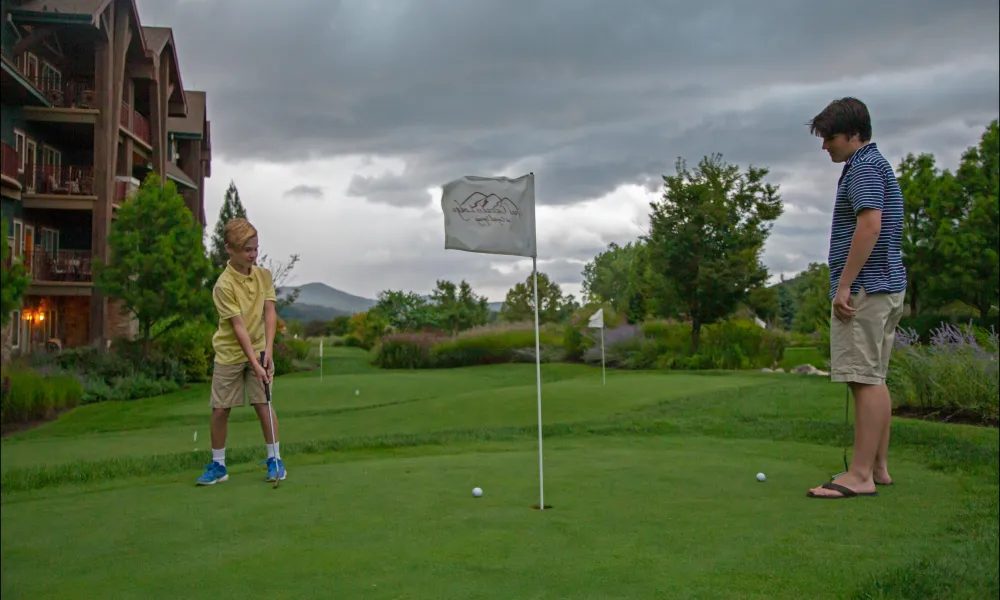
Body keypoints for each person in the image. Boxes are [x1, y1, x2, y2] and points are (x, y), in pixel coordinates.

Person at [805, 97, 906, 499]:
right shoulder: (876, 165)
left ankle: (860, 475)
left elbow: (869, 226)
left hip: (865, 287)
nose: (825, 145)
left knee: (864, 380)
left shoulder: (863, 167)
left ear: (854, 135)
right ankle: (876, 466)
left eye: (830, 137)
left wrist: (844, 284)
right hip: (886, 285)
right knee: (874, 379)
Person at [197, 218, 287, 485]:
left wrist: (268, 352)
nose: (253, 255)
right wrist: (255, 362)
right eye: (247, 250)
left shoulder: (263, 275)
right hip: (229, 354)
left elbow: (270, 312)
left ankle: (275, 460)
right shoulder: (223, 285)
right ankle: (218, 466)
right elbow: (238, 327)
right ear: (229, 249)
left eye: (255, 249)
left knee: (263, 404)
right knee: (221, 409)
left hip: (259, 348)